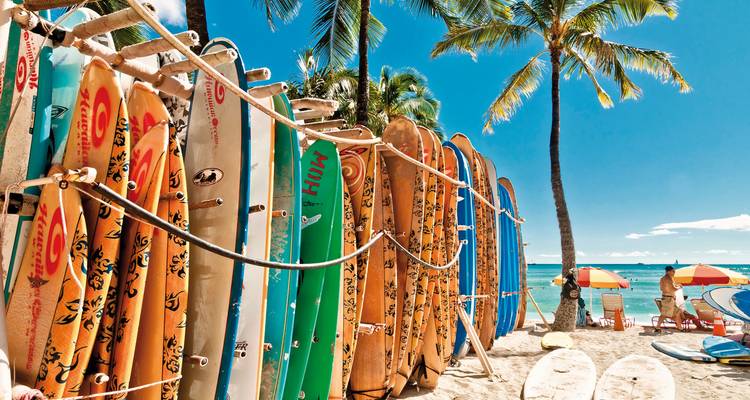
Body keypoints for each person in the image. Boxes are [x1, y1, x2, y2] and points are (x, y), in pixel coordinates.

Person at [655, 266, 683, 332]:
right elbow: (673, 288)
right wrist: (679, 287)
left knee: (677, 312)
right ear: (668, 272)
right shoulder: (669, 279)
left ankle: (679, 327)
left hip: (667, 298)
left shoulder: (662, 278)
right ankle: (657, 327)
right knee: (664, 314)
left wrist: (675, 286)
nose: (674, 273)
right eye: (673, 271)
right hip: (668, 299)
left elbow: (662, 288)